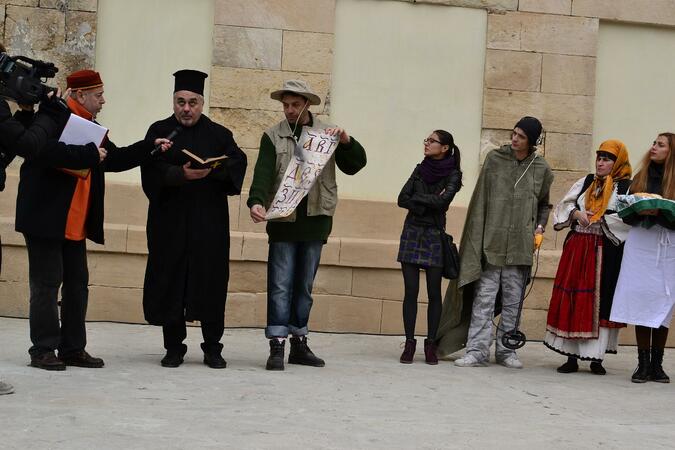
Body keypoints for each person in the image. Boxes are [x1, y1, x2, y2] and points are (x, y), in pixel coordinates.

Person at [16, 69, 171, 371]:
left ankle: (73, 348)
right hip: (46, 218)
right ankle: (43, 349)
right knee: (46, 285)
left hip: (75, 222)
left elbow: (110, 159)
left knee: (77, 285)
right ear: (80, 95)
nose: (103, 101)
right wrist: (88, 154)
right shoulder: (51, 117)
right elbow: (42, 152)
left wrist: (149, 148)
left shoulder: (91, 126)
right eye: (98, 95)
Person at [247, 79, 366, 371]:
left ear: (307, 105)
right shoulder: (272, 136)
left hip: (315, 221)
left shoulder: (327, 133)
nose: (289, 110)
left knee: (304, 286)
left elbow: (356, 165)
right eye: (286, 105)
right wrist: (256, 200)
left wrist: (347, 141)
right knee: (279, 284)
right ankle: (277, 344)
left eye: (295, 105)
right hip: (283, 222)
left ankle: (299, 342)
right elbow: (263, 172)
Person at [141, 70, 247, 369]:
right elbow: (149, 169)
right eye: (180, 102)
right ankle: (173, 347)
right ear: (173, 102)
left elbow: (237, 163)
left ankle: (213, 347)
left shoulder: (220, 135)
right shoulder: (160, 131)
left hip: (208, 226)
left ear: (202, 103)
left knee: (211, 281)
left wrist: (215, 171)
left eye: (192, 102)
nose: (186, 109)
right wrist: (179, 174)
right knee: (171, 280)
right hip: (169, 224)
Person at [438, 116, 553, 369]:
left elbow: (544, 203)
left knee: (512, 301)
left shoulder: (541, 168)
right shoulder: (495, 160)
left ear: (532, 141)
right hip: (491, 244)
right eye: (514, 133)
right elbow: (480, 201)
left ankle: (507, 351)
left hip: (520, 246)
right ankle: (477, 351)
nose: (514, 139)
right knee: (484, 300)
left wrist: (540, 227)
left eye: (521, 136)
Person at [544, 140, 632, 375]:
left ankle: (596, 358)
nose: (601, 162)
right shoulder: (586, 182)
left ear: (617, 162)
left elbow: (628, 218)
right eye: (599, 158)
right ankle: (571, 356)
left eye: (607, 159)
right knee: (574, 297)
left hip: (605, 250)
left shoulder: (625, 188)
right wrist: (576, 213)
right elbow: (564, 205)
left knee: (600, 300)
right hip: (578, 248)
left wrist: (602, 219)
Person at [610, 133, 675, 383]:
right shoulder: (642, 176)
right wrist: (640, 211)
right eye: (654, 143)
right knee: (641, 301)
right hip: (641, 245)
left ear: (671, 151)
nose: (653, 148)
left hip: (668, 245)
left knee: (662, 303)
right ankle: (643, 364)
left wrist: (661, 213)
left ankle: (657, 365)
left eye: (660, 145)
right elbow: (624, 214)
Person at [396, 130, 462, 364]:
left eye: (432, 141)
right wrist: (429, 202)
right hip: (412, 232)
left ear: (444, 147)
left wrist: (419, 200)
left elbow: (444, 202)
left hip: (434, 235)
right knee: (410, 292)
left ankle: (431, 344)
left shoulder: (454, 174)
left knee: (434, 293)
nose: (426, 143)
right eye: (427, 139)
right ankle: (410, 343)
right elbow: (402, 198)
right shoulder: (420, 168)